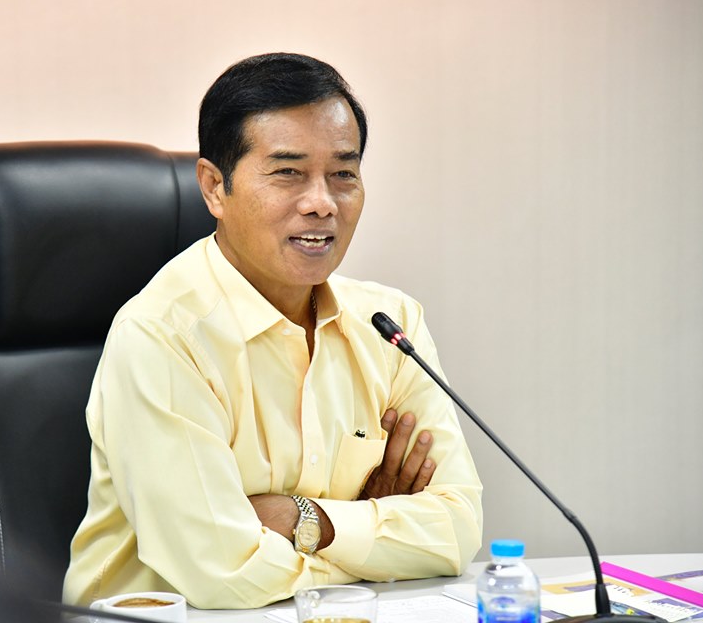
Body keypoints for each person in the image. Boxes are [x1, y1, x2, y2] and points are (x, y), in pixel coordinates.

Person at [63, 53, 482, 610]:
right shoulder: (162, 335)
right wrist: (372, 533)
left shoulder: (389, 325)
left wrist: (308, 520)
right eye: (288, 172)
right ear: (215, 188)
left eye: (344, 174)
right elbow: (223, 573)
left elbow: (457, 529)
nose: (322, 204)